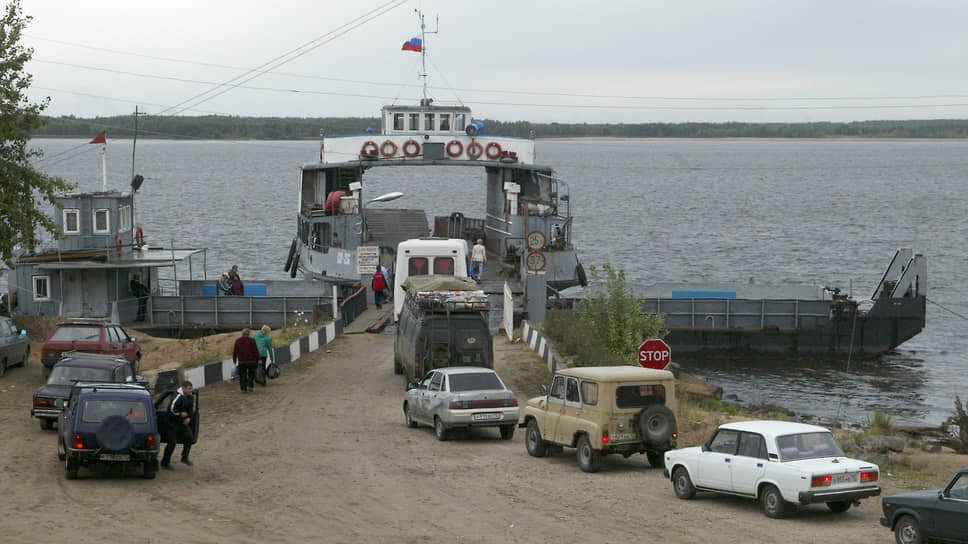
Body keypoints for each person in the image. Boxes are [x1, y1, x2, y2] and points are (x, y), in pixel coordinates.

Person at [161, 381, 195, 469]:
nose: (190, 390)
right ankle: (165, 462)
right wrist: (180, 414)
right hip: (171, 422)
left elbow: (191, 409)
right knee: (171, 443)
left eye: (191, 389)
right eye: (189, 389)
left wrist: (189, 418)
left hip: (181, 422)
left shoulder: (190, 397)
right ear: (183, 388)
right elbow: (172, 409)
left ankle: (184, 457)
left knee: (190, 437)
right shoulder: (177, 396)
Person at [233, 328, 261, 393]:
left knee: (242, 375)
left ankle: (243, 388)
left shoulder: (238, 341)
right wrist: (259, 359)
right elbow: (255, 351)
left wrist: (234, 360)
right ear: (249, 334)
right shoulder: (252, 340)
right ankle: (250, 386)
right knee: (251, 374)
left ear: (242, 334)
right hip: (251, 361)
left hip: (242, 361)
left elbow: (235, 352)